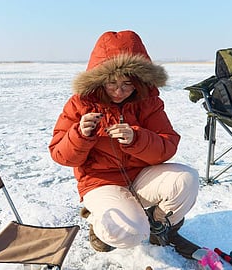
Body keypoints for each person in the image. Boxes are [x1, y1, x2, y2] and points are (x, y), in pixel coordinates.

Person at [49, 30, 200, 259]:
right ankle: (97, 220)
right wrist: (80, 135)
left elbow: (168, 146)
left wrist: (137, 139)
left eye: (127, 84)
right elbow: (60, 155)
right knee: (131, 234)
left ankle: (157, 224)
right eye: (111, 83)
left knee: (186, 180)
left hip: (141, 176)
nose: (119, 91)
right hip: (100, 182)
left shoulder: (149, 102)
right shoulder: (80, 103)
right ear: (99, 79)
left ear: (139, 82)